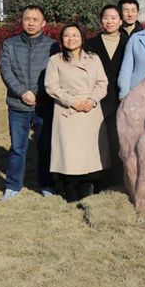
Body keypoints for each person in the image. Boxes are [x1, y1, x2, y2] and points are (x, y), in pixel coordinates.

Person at [45, 24, 109, 201]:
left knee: (91, 152)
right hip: (68, 110)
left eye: (75, 35)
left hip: (90, 109)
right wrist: (72, 102)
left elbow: (102, 83)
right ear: (61, 39)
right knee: (70, 153)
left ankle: (89, 186)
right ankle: (69, 188)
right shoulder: (56, 60)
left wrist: (92, 100)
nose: (71, 38)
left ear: (82, 38)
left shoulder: (93, 58)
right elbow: (51, 86)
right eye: (67, 35)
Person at [0, 5, 56, 200]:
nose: (30, 23)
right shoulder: (10, 44)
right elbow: (6, 71)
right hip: (18, 106)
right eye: (27, 19)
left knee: (45, 147)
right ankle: (13, 186)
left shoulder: (52, 46)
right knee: (17, 148)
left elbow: (54, 74)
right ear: (21, 21)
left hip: (43, 106)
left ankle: (47, 184)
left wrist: (37, 94)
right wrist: (23, 92)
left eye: (35, 19)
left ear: (43, 23)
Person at [84, 5, 127, 190]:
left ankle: (119, 177)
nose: (109, 21)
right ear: (101, 21)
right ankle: (99, 178)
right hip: (98, 97)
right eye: (106, 18)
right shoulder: (91, 44)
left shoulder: (129, 42)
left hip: (122, 97)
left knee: (119, 138)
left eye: (114, 17)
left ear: (121, 21)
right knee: (99, 138)